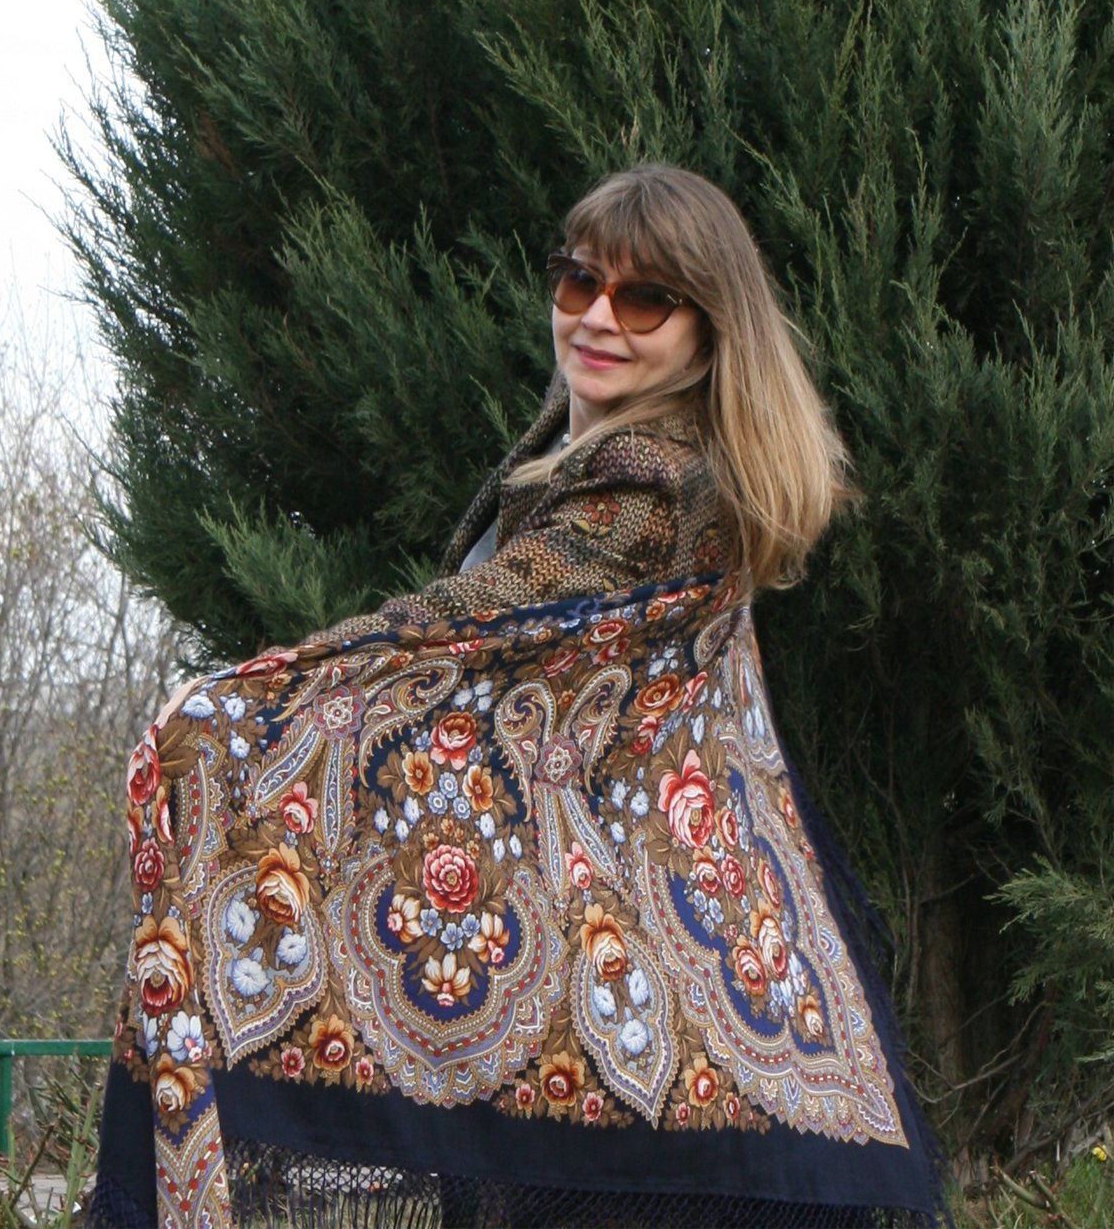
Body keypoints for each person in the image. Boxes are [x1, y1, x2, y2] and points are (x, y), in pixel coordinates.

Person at [93, 168, 945, 1228]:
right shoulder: (577, 450)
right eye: (578, 281)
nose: (597, 317)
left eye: (645, 299)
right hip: (664, 1011)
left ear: (707, 328)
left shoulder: (653, 483)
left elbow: (463, 624)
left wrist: (234, 705)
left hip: (638, 1035)